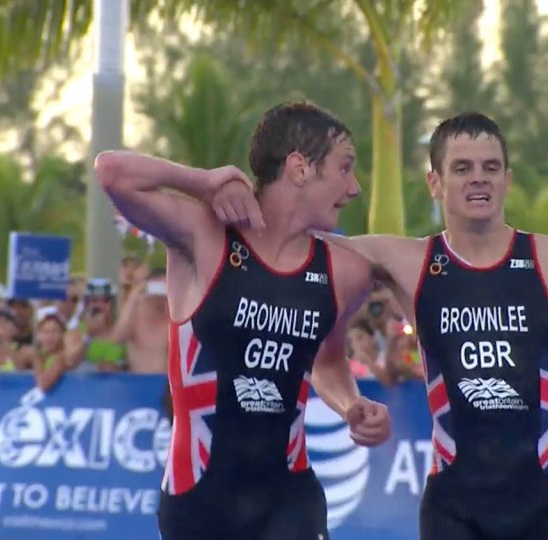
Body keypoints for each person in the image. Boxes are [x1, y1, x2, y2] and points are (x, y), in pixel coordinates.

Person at [215, 112, 548, 539]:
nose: (479, 179)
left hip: (545, 508)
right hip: (455, 511)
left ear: (506, 179)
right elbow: (286, 237)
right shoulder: (404, 262)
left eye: (490, 168)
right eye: (462, 169)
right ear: (435, 182)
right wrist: (224, 190)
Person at [94, 100, 391, 540]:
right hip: (200, 498)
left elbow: (325, 360)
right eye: (344, 168)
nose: (355, 188)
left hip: (290, 499)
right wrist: (207, 181)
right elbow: (111, 172)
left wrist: (351, 404)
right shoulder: (205, 234)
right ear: (299, 167)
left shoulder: (345, 271)